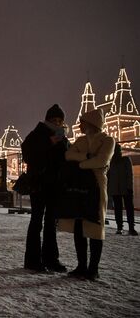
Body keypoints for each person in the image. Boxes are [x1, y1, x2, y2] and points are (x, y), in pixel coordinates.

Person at [60, 109, 115, 280]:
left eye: (82, 122)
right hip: (79, 185)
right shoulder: (81, 140)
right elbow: (67, 155)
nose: (80, 125)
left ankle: (93, 268)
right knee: (79, 224)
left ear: (92, 123)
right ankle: (81, 265)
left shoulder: (108, 140)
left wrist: (79, 164)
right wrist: (87, 157)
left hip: (97, 185)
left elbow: (103, 160)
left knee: (95, 225)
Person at [22, 104, 69, 272]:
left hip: (55, 185)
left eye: (60, 120)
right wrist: (49, 142)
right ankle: (33, 260)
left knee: (51, 223)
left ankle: (51, 259)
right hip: (40, 184)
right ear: (47, 119)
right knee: (36, 221)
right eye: (54, 119)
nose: (57, 123)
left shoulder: (63, 137)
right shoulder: (37, 134)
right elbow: (27, 154)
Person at [108, 144, 137, 236]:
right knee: (122, 208)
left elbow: (129, 175)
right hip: (119, 188)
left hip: (122, 188)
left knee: (124, 208)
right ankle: (123, 227)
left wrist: (129, 187)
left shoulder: (121, 160)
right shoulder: (114, 161)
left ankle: (127, 227)